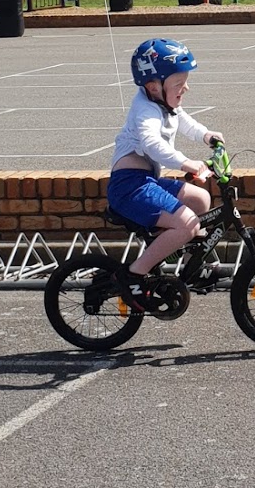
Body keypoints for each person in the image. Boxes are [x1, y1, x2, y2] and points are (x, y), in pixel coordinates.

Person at [106, 37, 224, 310]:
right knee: (188, 224)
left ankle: (183, 264)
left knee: (200, 201)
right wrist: (186, 163)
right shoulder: (145, 110)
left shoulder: (163, 103)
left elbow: (183, 120)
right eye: (179, 84)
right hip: (129, 187)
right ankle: (134, 275)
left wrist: (205, 135)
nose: (186, 88)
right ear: (153, 86)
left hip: (145, 181)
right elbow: (152, 143)